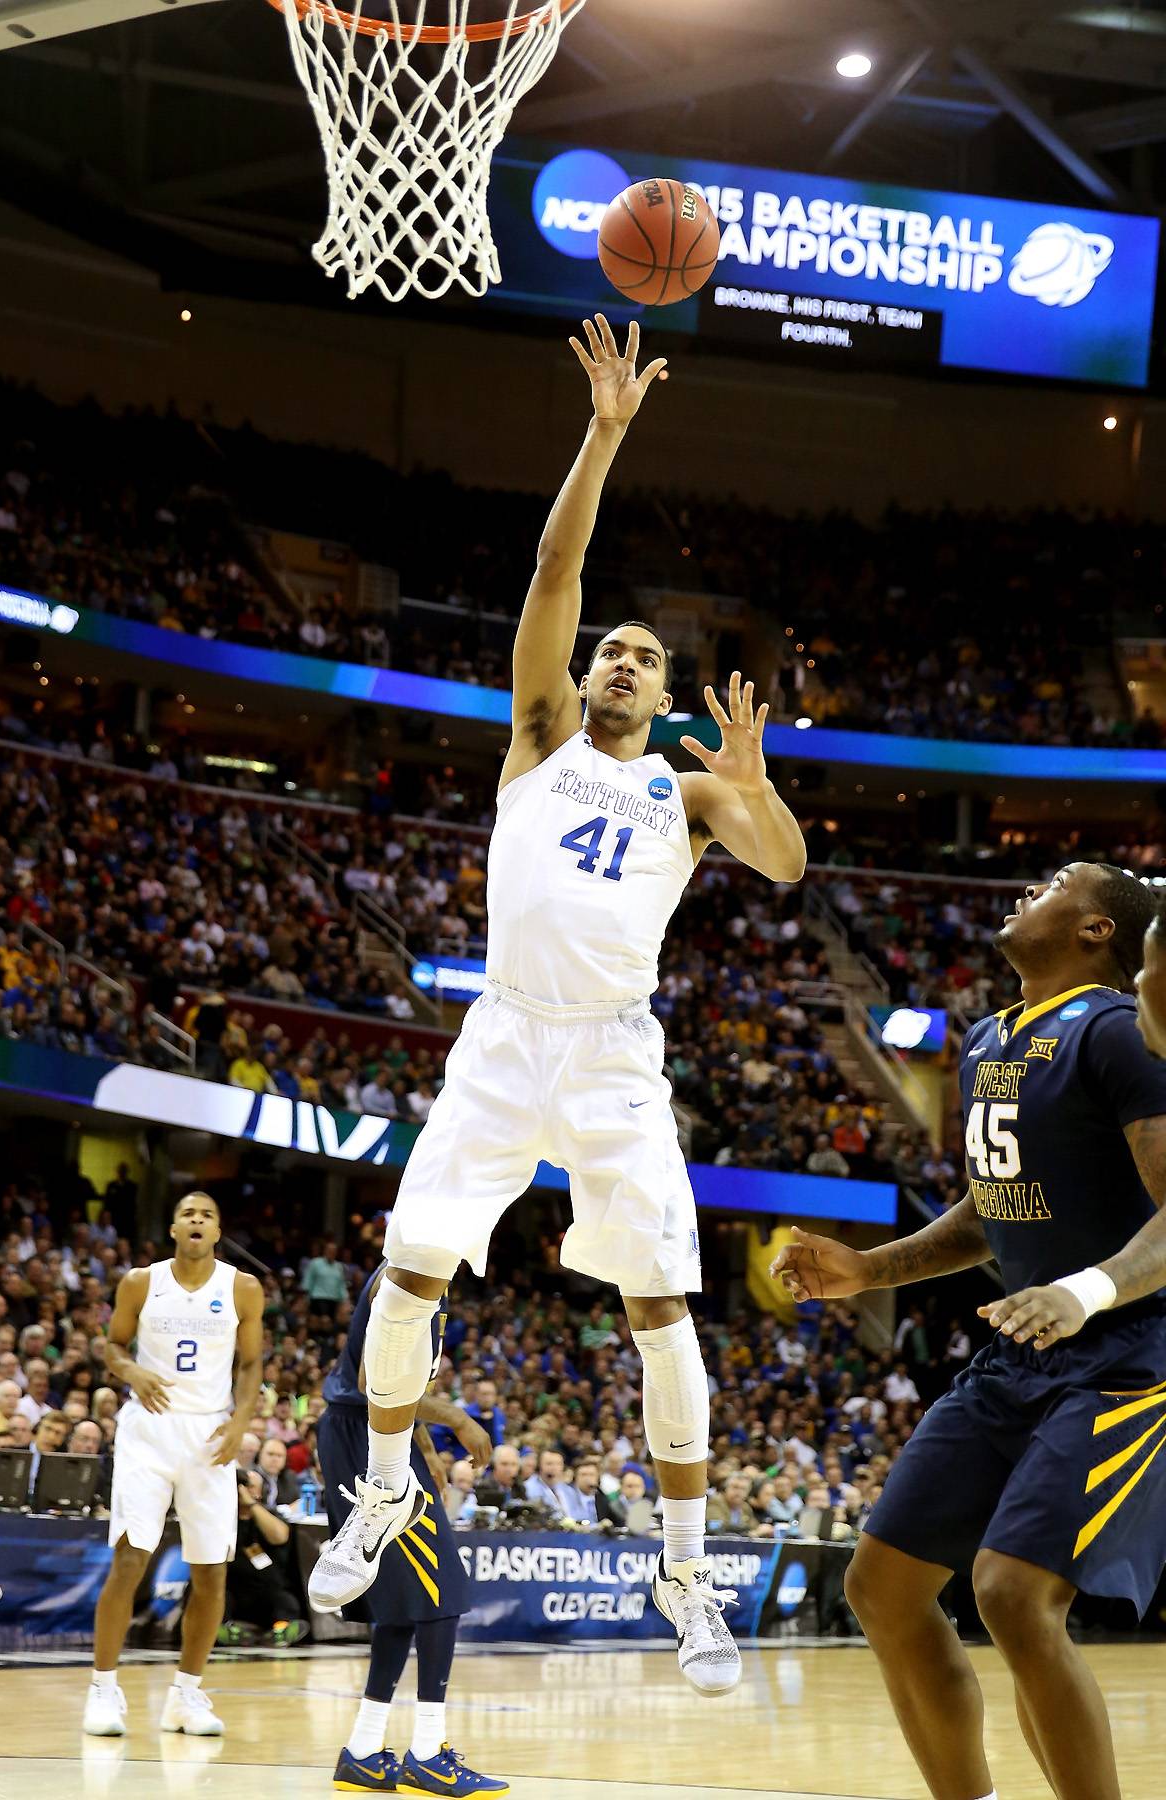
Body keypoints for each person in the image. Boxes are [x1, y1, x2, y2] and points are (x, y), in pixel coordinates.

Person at [315, 316, 806, 1703]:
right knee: (409, 1272)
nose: (626, 663)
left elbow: (789, 867)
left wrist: (757, 782)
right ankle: (385, 1499)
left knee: (663, 1311)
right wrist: (606, 432)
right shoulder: (535, 737)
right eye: (615, 652)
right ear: (584, 674)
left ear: (664, 692)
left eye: (648, 657)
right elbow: (555, 568)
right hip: (503, 1035)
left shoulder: (689, 792)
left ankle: (686, 1577)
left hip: (611, 1055)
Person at [772, 863, 1166, 1800]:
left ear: (1097, 930)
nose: (1029, 886)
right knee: (880, 1587)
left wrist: (1092, 1288)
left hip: (1126, 1357)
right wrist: (872, 1269)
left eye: (1058, 882)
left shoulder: (1118, 1030)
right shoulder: (990, 1037)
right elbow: (991, 1210)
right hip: (1017, 1357)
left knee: (1012, 1595)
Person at [312, 1261, 506, 1797]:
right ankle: (428, 1753)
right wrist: (458, 1419)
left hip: (376, 1437)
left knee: (405, 1600)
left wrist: (422, 1450)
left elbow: (394, 1384)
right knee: (442, 1588)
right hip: (360, 1436)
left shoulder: (433, 1279)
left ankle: (363, 1749)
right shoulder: (403, 1276)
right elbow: (375, 1385)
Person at [83, 1192, 264, 1739]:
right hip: (149, 1430)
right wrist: (131, 1373)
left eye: (207, 1214)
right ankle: (103, 1690)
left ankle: (186, 1696)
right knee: (130, 1560)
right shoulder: (141, 1281)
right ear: (173, 1226)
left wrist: (239, 1424)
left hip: (210, 1434)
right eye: (187, 1212)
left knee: (211, 1572)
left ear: (217, 1230)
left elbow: (252, 1362)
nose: (196, 1220)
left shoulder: (242, 1287)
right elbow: (111, 1346)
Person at [220, 1467, 307, 1647]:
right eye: (240, 1486)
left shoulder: (271, 1514)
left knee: (284, 1600)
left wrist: (251, 1505)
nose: (243, 1490)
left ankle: (281, 1630)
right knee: (213, 1593)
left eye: (249, 1486)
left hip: (264, 1592)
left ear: (261, 1491)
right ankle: (225, 1630)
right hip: (232, 1589)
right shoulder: (222, 1518)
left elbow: (279, 1536)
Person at [255, 1433, 301, 1509]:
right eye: (270, 1454)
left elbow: (295, 1504)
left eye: (279, 1455)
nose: (275, 1459)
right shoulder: (252, 1476)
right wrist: (286, 1509)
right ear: (259, 1454)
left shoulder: (289, 1477)